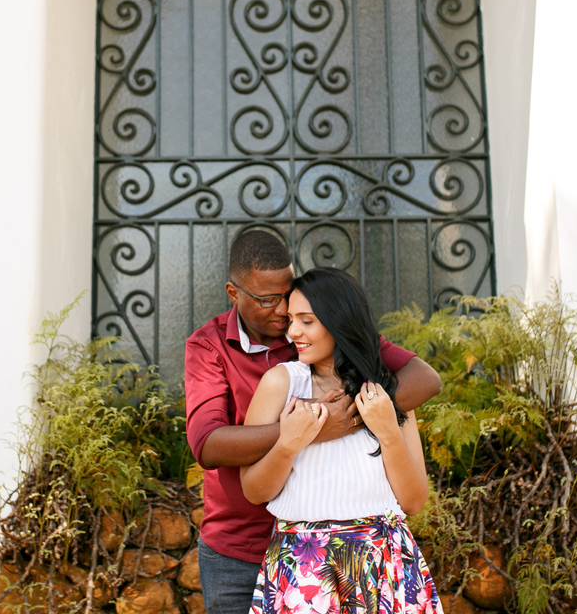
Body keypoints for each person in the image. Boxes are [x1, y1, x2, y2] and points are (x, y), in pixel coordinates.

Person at [185, 231, 442, 614]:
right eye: (268, 300)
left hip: (374, 558)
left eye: (288, 299)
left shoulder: (342, 354)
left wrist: (367, 419)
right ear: (233, 293)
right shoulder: (215, 349)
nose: (283, 316)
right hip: (249, 547)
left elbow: (424, 380)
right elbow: (208, 444)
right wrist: (310, 429)